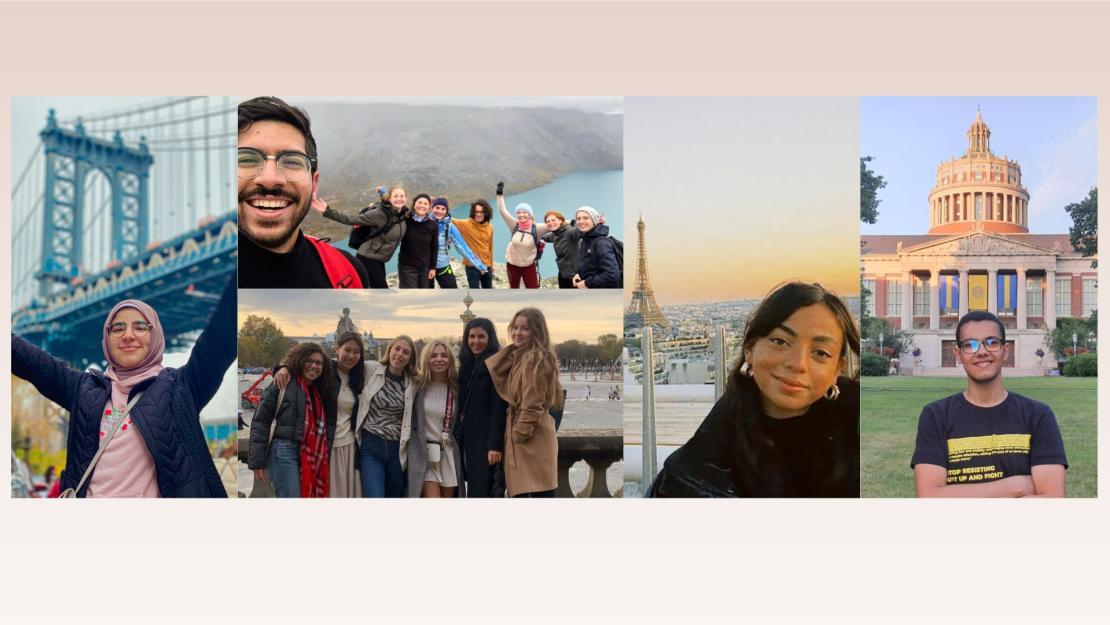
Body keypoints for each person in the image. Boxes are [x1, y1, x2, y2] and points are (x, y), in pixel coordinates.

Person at [11, 276, 236, 498]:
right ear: (106, 339)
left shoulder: (181, 388)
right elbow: (26, 359)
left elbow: (222, 334)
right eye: (117, 328)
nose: (128, 336)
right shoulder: (82, 389)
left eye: (140, 327)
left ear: (155, 335)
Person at [648, 282, 861, 498]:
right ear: (750, 348)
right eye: (780, 341)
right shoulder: (698, 465)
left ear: (837, 369)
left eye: (821, 353)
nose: (798, 364)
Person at [911, 311, 1067, 497]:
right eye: (970, 345)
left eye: (992, 342)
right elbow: (929, 497)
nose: (982, 351)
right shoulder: (935, 416)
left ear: (1005, 350)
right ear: (958, 354)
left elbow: (1052, 498)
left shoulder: (1038, 415)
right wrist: (1014, 486)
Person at [238, 96, 367, 289]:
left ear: (314, 184)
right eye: (247, 159)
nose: (270, 179)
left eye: (291, 161)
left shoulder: (349, 272)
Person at [271, 332, 365, 497]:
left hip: (351, 447)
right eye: (347, 350)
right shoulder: (326, 371)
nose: (351, 355)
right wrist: (283, 368)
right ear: (337, 349)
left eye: (356, 352)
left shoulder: (361, 375)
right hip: (328, 446)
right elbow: (302, 368)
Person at [485, 308, 564, 497]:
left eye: (525, 329)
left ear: (536, 332)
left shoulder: (534, 360)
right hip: (531, 438)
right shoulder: (522, 356)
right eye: (515, 328)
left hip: (530, 440)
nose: (517, 333)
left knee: (536, 494)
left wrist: (518, 435)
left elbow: (532, 405)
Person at [248, 342, 334, 498]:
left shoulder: (318, 389)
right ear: (299, 361)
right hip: (283, 452)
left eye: (319, 363)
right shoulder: (283, 383)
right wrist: (257, 461)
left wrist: (282, 367)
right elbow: (261, 422)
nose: (314, 366)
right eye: (309, 361)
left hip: (309, 453)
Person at [356, 336, 417, 497]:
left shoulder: (414, 382)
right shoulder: (371, 369)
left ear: (410, 358)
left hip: (398, 449)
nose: (400, 354)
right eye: (397, 349)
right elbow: (340, 364)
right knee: (375, 496)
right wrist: (285, 367)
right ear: (389, 350)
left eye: (406, 352)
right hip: (371, 445)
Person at [403, 340, 465, 497]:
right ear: (426, 360)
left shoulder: (456, 388)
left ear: (450, 360)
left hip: (448, 454)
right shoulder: (417, 385)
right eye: (433, 355)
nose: (439, 359)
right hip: (424, 455)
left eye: (444, 355)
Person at [315, 186, 408, 288]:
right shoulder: (379, 213)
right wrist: (327, 211)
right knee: (381, 290)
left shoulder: (403, 214)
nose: (399, 198)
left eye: (402, 196)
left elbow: (384, 194)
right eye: (396, 196)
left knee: (375, 289)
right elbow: (351, 219)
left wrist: (381, 190)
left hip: (379, 259)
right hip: (367, 257)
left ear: (406, 198)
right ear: (390, 199)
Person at [456, 318, 507, 497]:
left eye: (481, 336)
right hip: (467, 439)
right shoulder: (467, 366)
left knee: (481, 490)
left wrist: (495, 446)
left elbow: (498, 408)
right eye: (471, 336)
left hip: (484, 442)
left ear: (490, 338)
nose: (475, 341)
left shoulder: (495, 365)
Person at [495, 182, 553, 289]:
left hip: (528, 266)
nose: (521, 215)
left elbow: (554, 224)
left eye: (524, 212)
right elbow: (502, 211)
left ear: (529, 214)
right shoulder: (514, 225)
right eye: (519, 212)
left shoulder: (537, 228)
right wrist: (499, 194)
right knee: (514, 288)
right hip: (512, 265)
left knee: (533, 289)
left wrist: (574, 223)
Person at [431, 197, 488, 288]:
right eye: (437, 208)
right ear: (432, 208)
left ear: (446, 211)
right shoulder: (425, 222)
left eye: (443, 209)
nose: (440, 211)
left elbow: (462, 246)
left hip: (442, 265)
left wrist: (479, 265)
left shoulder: (449, 226)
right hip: (425, 267)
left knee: (453, 293)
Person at [572, 206, 621, 289]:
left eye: (585, 218)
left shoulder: (602, 243)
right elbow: (589, 265)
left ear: (594, 220)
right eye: (578, 219)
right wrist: (578, 274)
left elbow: (612, 275)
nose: (581, 221)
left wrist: (587, 283)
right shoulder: (585, 240)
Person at [396, 193, 439, 288]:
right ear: (414, 204)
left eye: (425, 203)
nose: (422, 206)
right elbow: (394, 205)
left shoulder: (433, 225)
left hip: (425, 267)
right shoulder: (405, 220)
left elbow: (434, 247)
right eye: (419, 202)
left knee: (423, 295)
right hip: (407, 267)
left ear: (429, 207)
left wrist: (432, 268)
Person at [453, 200, 496, 289]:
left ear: (486, 213)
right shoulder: (465, 224)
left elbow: (490, 247)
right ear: (473, 212)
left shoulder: (489, 227)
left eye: (481, 212)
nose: (478, 214)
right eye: (476, 212)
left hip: (487, 266)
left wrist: (491, 265)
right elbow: (448, 219)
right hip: (472, 267)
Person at [539, 210, 584, 289]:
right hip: (563, 273)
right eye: (548, 221)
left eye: (553, 220)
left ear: (560, 220)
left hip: (575, 275)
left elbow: (581, 230)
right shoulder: (555, 234)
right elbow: (544, 237)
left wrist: (597, 224)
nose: (550, 223)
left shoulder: (570, 232)